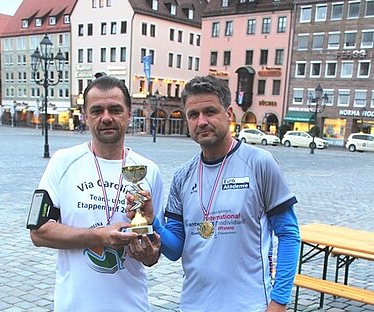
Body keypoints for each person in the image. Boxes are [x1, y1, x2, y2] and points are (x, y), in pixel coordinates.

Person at [127, 75, 300, 312]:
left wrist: (279, 301)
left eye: (210, 112)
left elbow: (289, 234)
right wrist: (151, 221)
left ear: (228, 114)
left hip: (249, 305)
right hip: (193, 305)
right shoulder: (182, 176)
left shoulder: (260, 163)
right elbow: (176, 248)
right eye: (193, 115)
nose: (202, 121)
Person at [29, 75, 163, 312]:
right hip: (74, 306)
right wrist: (99, 237)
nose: (106, 118)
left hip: (132, 306)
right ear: (85, 116)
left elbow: (152, 254)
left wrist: (149, 253)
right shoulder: (62, 162)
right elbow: (38, 233)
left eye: (115, 109)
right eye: (97, 110)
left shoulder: (148, 170)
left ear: (129, 114)